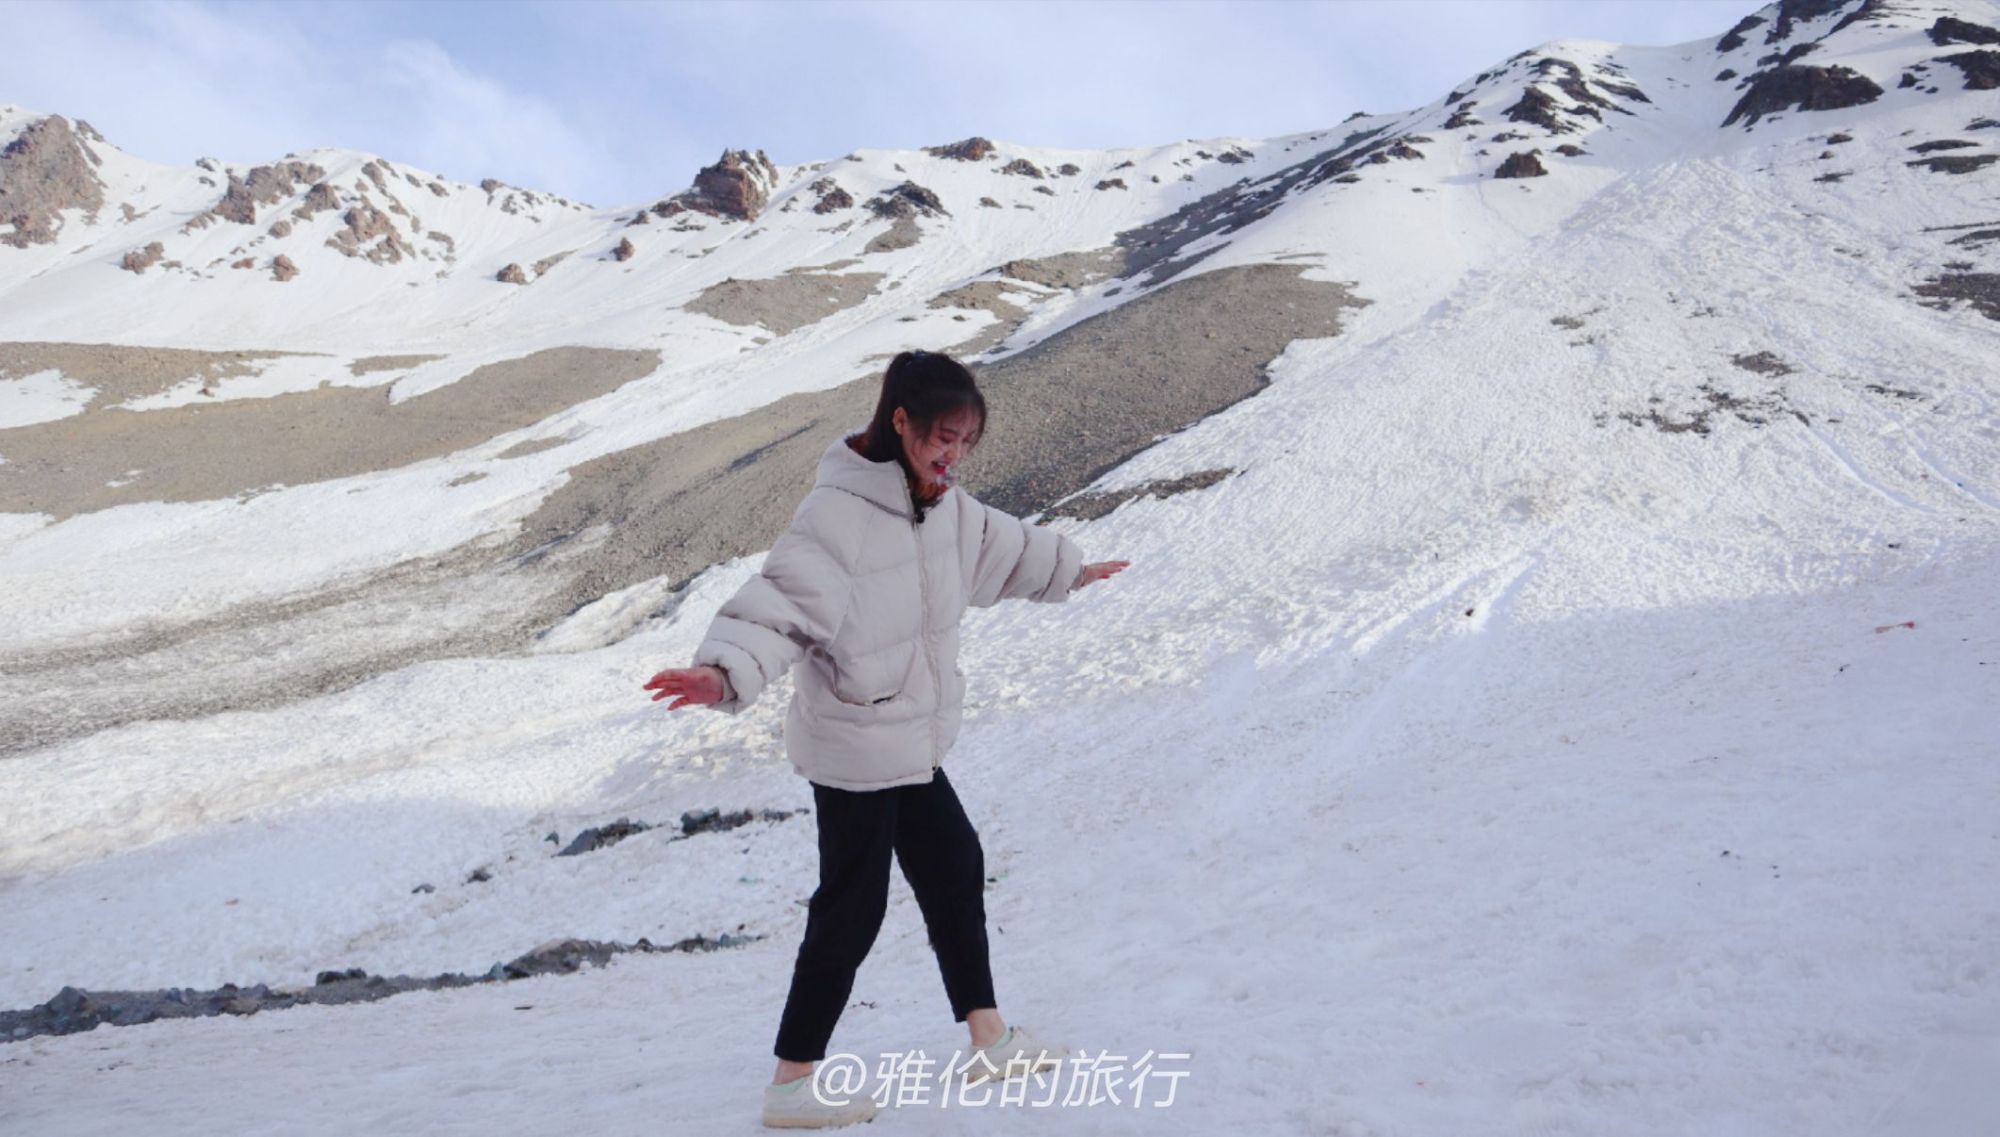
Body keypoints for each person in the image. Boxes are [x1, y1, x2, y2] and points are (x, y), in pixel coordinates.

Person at [643, 349, 1130, 1129]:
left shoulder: (945, 506)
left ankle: (989, 1038)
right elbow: (779, 602)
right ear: (898, 420)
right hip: (853, 747)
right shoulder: (838, 514)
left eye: (967, 440)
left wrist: (1071, 570)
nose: (953, 454)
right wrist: (723, 673)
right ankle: (791, 1083)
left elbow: (1006, 550)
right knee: (852, 909)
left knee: (954, 865)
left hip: (908, 741)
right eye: (943, 435)